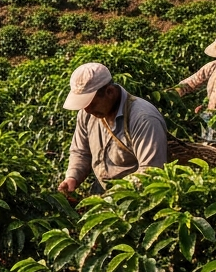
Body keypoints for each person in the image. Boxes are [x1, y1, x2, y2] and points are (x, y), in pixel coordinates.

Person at [57, 62, 168, 197]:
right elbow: (81, 152)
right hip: (102, 188)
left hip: (136, 196)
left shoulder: (144, 118)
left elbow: (150, 171)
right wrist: (72, 177)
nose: (87, 110)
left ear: (109, 92)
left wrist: (112, 197)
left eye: (91, 103)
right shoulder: (87, 114)